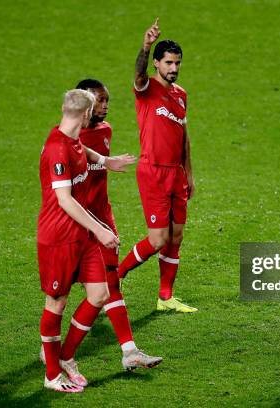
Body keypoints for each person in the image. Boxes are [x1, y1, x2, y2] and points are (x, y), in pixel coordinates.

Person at [76, 78, 163, 369]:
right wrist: (105, 161)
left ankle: (129, 351)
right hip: (76, 221)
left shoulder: (106, 130)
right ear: (84, 104)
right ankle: (53, 349)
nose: (105, 106)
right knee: (61, 293)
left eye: (106, 100)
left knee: (110, 284)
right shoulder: (67, 138)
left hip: (103, 218)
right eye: (100, 101)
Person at [37, 89, 120, 392]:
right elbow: (64, 200)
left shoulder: (71, 139)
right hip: (59, 237)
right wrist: (100, 229)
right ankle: (51, 375)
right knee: (56, 303)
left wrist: (106, 161)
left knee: (99, 295)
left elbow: (84, 150)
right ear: (87, 114)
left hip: (81, 235)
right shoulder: (57, 148)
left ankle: (66, 357)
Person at [117, 18, 197, 313]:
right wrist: (145, 46)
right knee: (158, 239)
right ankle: (116, 276)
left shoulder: (181, 95)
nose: (174, 68)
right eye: (168, 63)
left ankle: (166, 297)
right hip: (152, 172)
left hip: (176, 173)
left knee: (176, 235)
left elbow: (184, 136)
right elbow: (138, 70)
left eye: (177, 63)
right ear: (157, 64)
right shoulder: (146, 88)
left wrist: (188, 173)